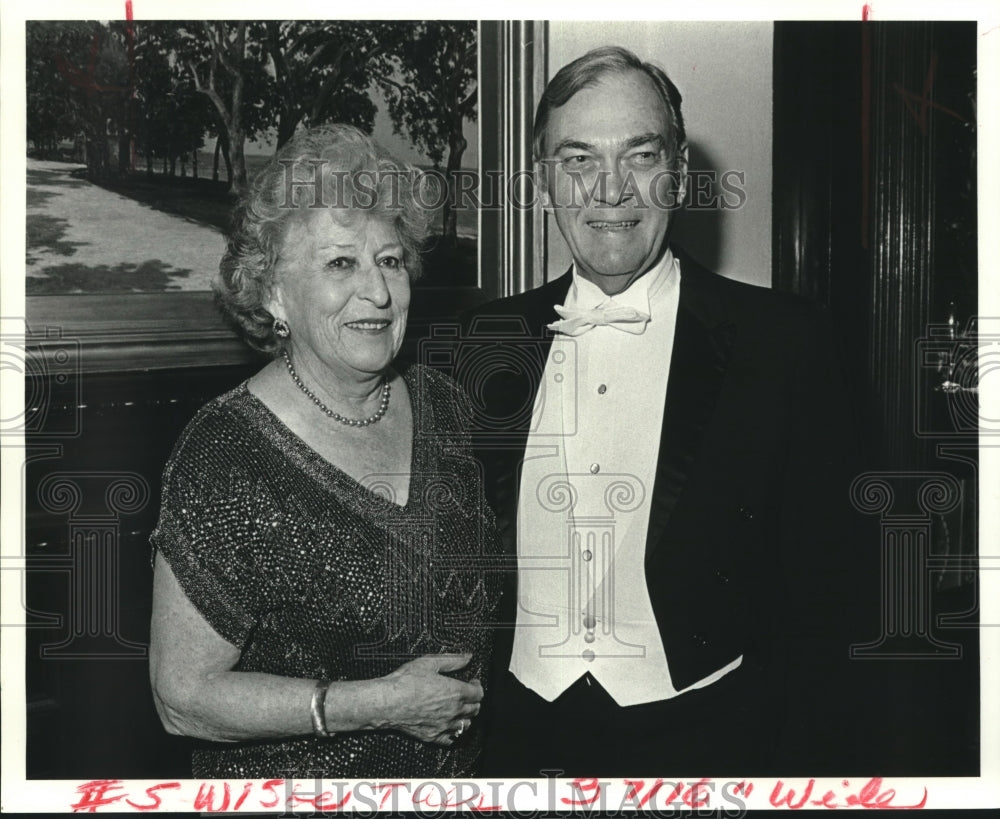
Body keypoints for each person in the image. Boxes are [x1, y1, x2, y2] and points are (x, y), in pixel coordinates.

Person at [454, 46, 864, 776]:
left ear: (678, 168)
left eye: (639, 154)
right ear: (543, 178)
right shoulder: (481, 345)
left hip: (713, 746)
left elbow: (830, 605)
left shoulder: (785, 343)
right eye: (578, 159)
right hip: (515, 746)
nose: (610, 190)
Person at [148, 125, 502, 779]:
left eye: (390, 260)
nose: (378, 292)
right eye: (342, 263)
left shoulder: (446, 406)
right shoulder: (224, 454)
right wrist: (378, 704)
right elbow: (182, 697)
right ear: (276, 294)